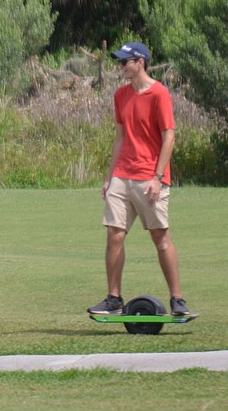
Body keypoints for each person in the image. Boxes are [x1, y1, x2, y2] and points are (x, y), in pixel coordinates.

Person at [88, 42, 192, 317]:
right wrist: (110, 177)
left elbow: (168, 135)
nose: (120, 66)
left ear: (140, 62)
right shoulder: (121, 95)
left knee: (160, 238)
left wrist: (158, 178)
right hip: (123, 175)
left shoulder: (159, 93)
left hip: (149, 177)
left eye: (125, 62)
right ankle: (113, 298)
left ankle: (177, 299)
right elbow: (120, 137)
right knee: (114, 234)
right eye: (119, 62)